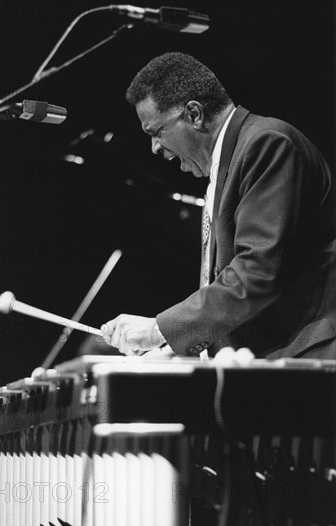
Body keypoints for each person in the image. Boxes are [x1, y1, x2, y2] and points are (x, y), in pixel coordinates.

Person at [101, 52, 336, 359]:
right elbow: (229, 290)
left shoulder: (267, 144)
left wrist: (160, 330)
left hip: (310, 354)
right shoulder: (228, 164)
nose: (155, 148)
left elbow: (258, 270)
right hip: (271, 358)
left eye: (156, 132)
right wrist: (178, 350)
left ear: (194, 114)